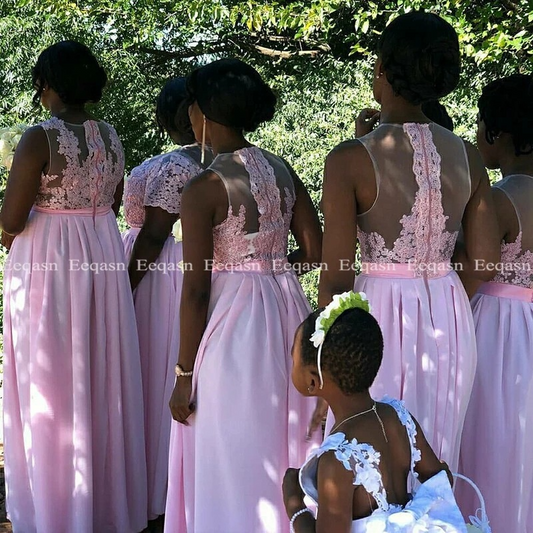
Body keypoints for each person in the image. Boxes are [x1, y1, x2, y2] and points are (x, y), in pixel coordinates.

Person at [315, 11, 501, 472]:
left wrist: (323, 357)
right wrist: (442, 294)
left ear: (381, 68)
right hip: (449, 313)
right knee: (437, 453)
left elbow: (335, 275)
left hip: (375, 311)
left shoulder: (347, 160)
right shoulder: (470, 157)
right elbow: (483, 260)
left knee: (369, 455)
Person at [164, 58, 322, 533]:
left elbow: (195, 290)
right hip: (289, 308)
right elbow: (313, 250)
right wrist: (270, 270)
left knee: (234, 437)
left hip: (234, 324)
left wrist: (184, 375)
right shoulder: (281, 168)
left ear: (204, 115)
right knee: (288, 432)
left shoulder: (204, 187)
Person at [0, 41, 147, 532]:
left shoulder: (38, 138)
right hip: (100, 250)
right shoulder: (111, 136)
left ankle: (56, 507)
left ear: (49, 84)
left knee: (51, 373)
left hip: (50, 261)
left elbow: (12, 218)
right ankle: (102, 503)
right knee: (98, 368)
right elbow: (112, 200)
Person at [283, 291, 468, 532]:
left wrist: (294, 504)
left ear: (312, 381)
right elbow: (441, 479)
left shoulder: (337, 458)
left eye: (293, 359)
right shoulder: (398, 417)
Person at [122, 77, 212, 526]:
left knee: (154, 373)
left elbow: (155, 234)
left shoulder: (175, 166)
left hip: (159, 277)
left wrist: (124, 287)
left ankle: (157, 486)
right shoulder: (223, 162)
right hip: (184, 272)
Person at [458, 74, 533, 533]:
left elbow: (475, 268)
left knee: (490, 438)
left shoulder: (499, 199)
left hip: (497, 329)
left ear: (497, 134)